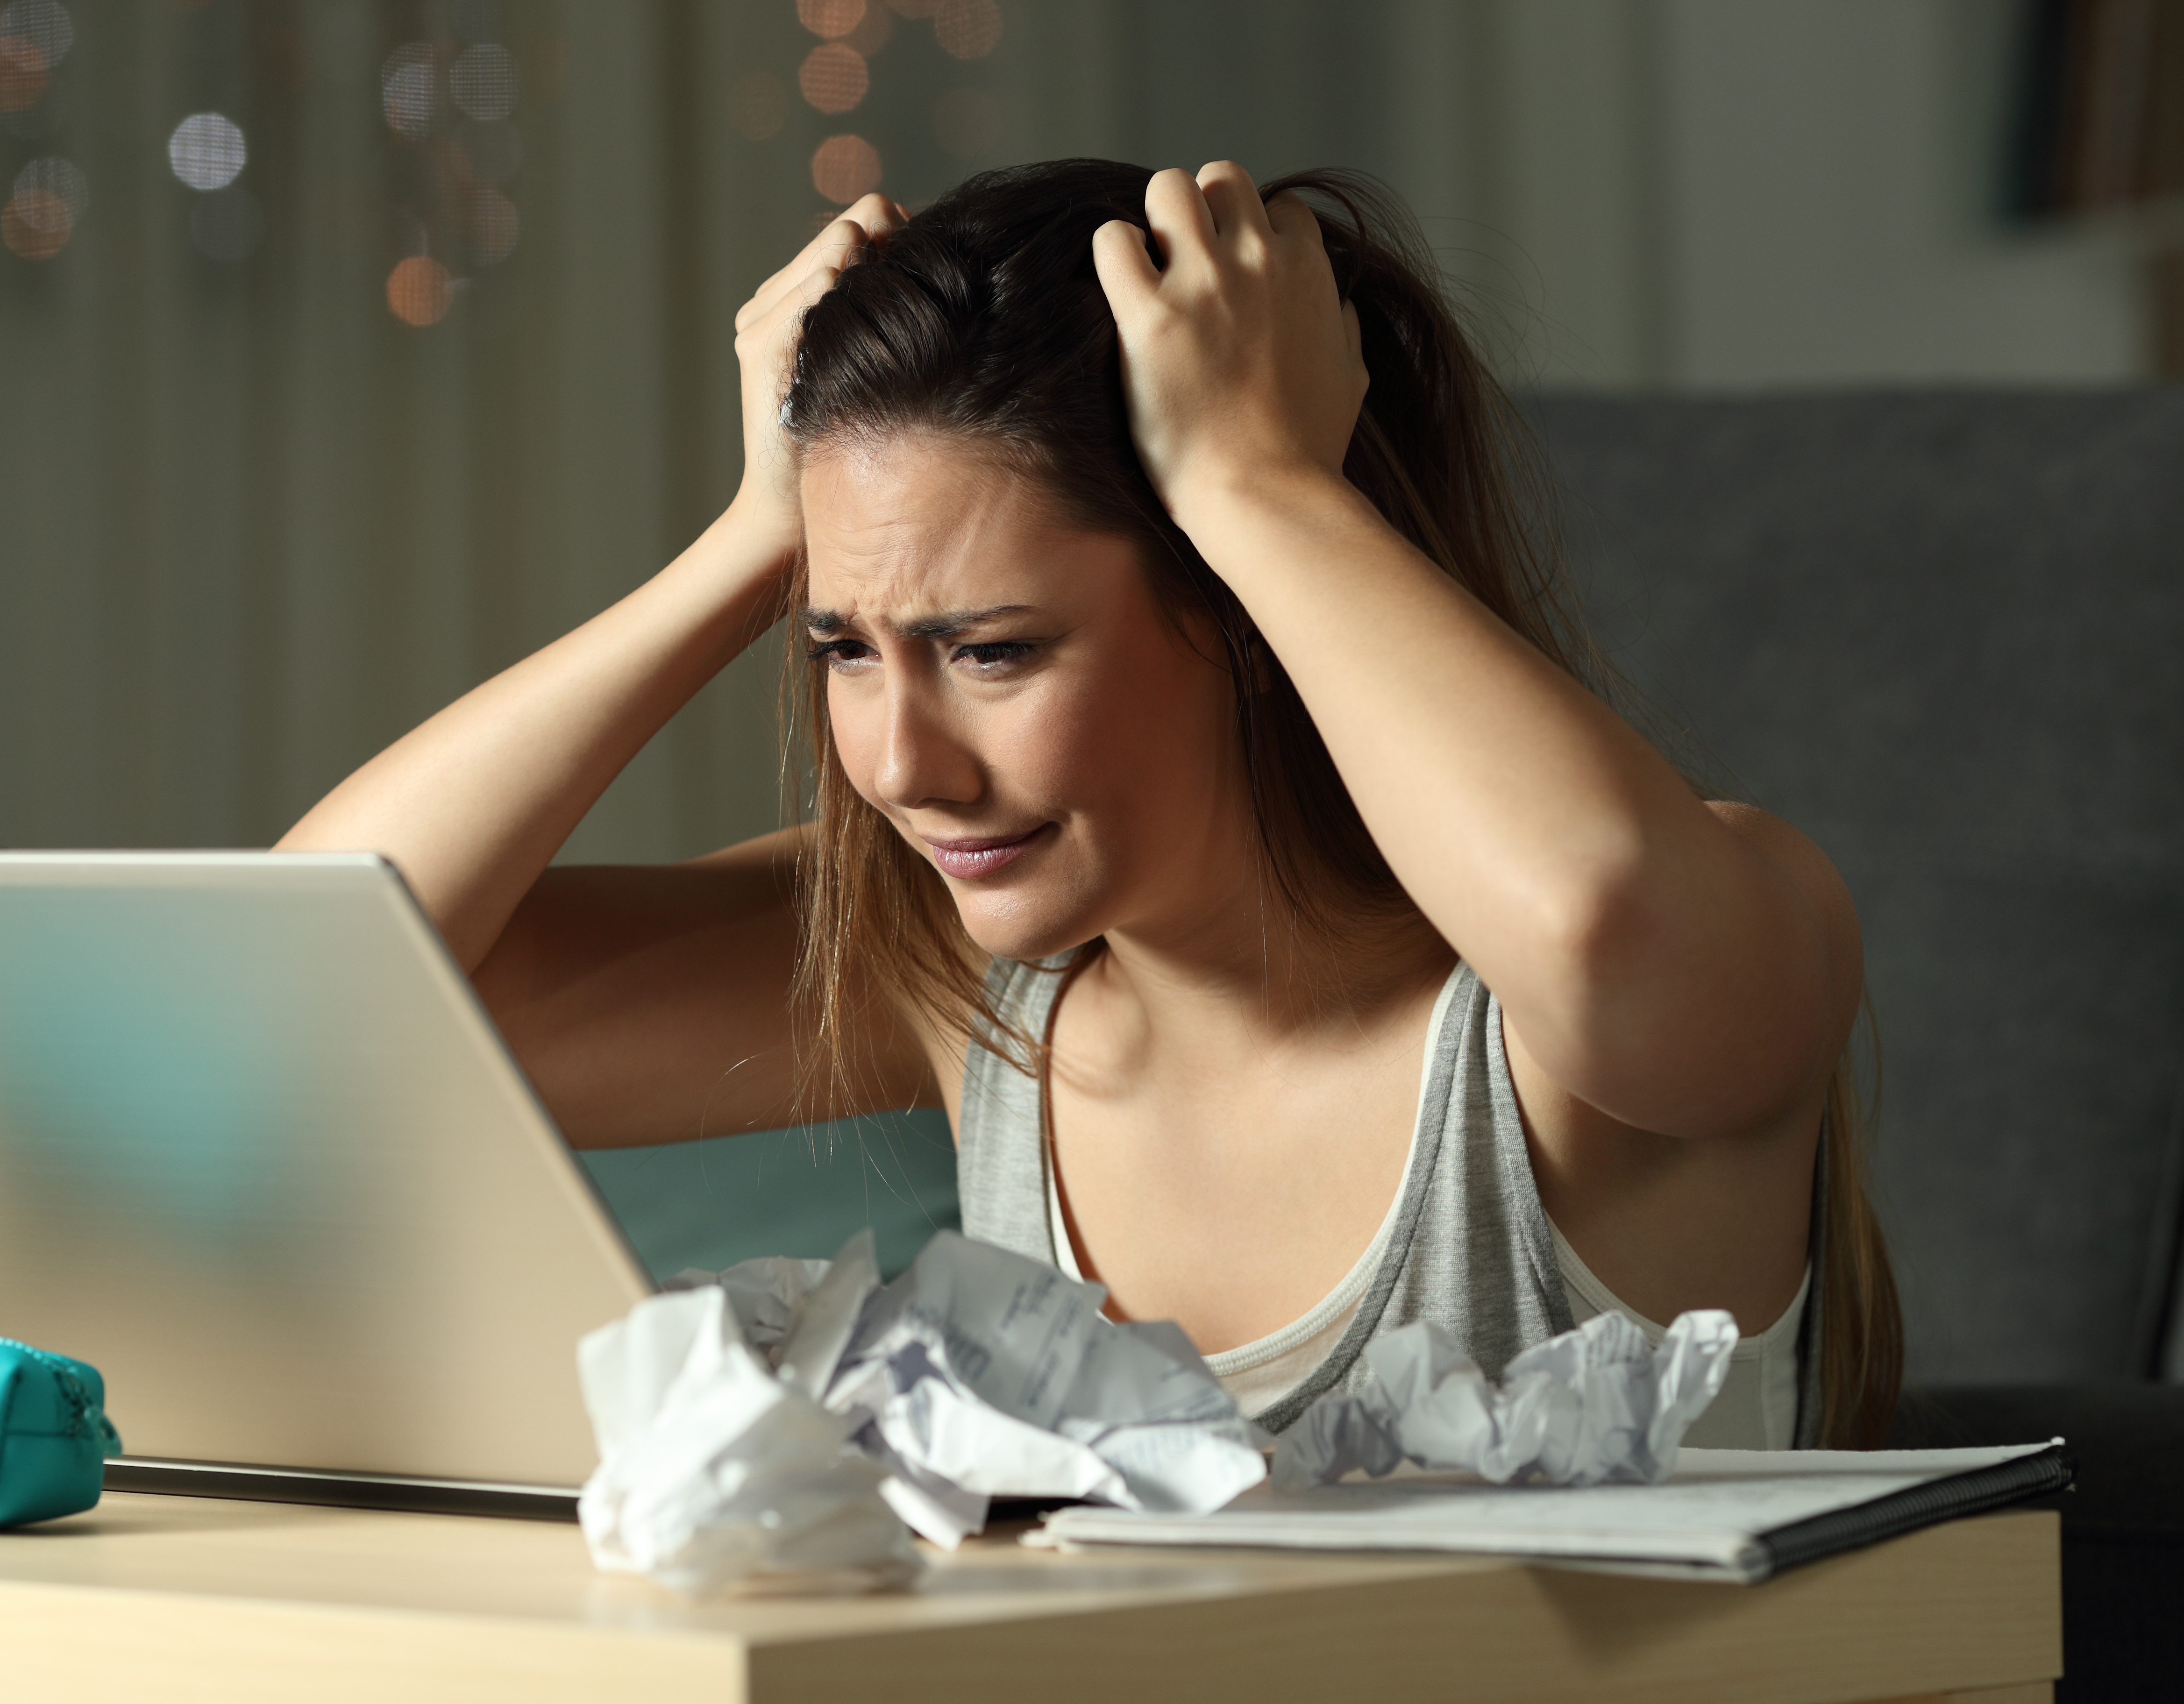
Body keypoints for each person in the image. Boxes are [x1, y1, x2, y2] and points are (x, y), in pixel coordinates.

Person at [280, 158, 1901, 1448]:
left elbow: (1604, 923)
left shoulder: (1643, 977)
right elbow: (309, 1000)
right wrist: (761, 532)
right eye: (844, 648)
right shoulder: (966, 976)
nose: (904, 767)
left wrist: (1261, 485)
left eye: (990, 651)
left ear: (1246, 613)